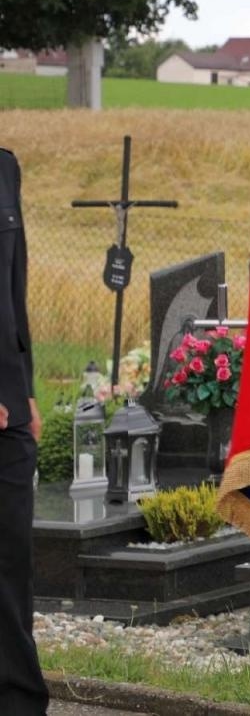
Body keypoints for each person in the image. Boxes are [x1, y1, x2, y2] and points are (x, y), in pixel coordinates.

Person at [0, 147, 47, 716]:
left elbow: (14, 286)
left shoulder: (5, 167)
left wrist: (25, 387)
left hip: (10, 407)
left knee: (12, 563)